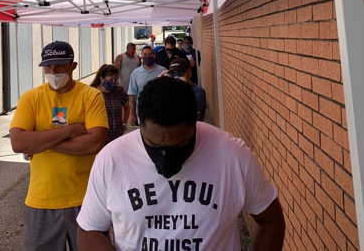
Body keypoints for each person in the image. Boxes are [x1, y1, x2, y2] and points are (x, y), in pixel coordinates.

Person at [77, 77, 286, 251]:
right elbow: (90, 229)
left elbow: (271, 220)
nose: (166, 156)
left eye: (180, 143)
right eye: (153, 143)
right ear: (140, 120)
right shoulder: (112, 159)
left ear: (196, 120)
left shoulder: (234, 156)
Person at [9, 40, 109, 251]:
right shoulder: (31, 98)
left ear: (73, 66)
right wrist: (69, 131)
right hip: (41, 200)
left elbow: (94, 143)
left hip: (86, 200)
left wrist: (38, 141)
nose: (53, 72)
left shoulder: (91, 96)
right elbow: (18, 143)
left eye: (59, 66)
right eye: (48, 66)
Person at [90, 64, 130, 144]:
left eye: (115, 80)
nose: (113, 82)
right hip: (101, 137)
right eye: (111, 79)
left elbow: (127, 107)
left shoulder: (118, 91)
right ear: (101, 79)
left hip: (118, 136)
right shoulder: (92, 93)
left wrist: (124, 123)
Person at [127, 45, 166, 126]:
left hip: (160, 111)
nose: (148, 56)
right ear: (141, 57)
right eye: (145, 55)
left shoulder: (163, 71)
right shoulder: (135, 73)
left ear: (154, 56)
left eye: (150, 54)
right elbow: (133, 95)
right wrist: (131, 113)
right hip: (142, 112)